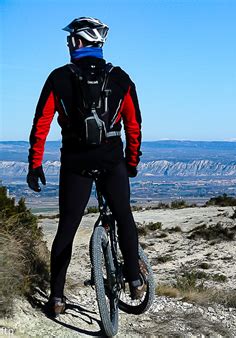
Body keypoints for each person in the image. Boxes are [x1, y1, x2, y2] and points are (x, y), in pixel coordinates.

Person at [26, 17, 147, 317]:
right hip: (111, 161)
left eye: (70, 40)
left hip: (76, 163)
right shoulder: (121, 78)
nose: (68, 44)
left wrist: (35, 163)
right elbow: (134, 126)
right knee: (124, 217)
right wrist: (131, 162)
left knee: (66, 229)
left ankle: (56, 298)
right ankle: (133, 279)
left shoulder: (58, 77)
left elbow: (41, 122)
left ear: (78, 42)